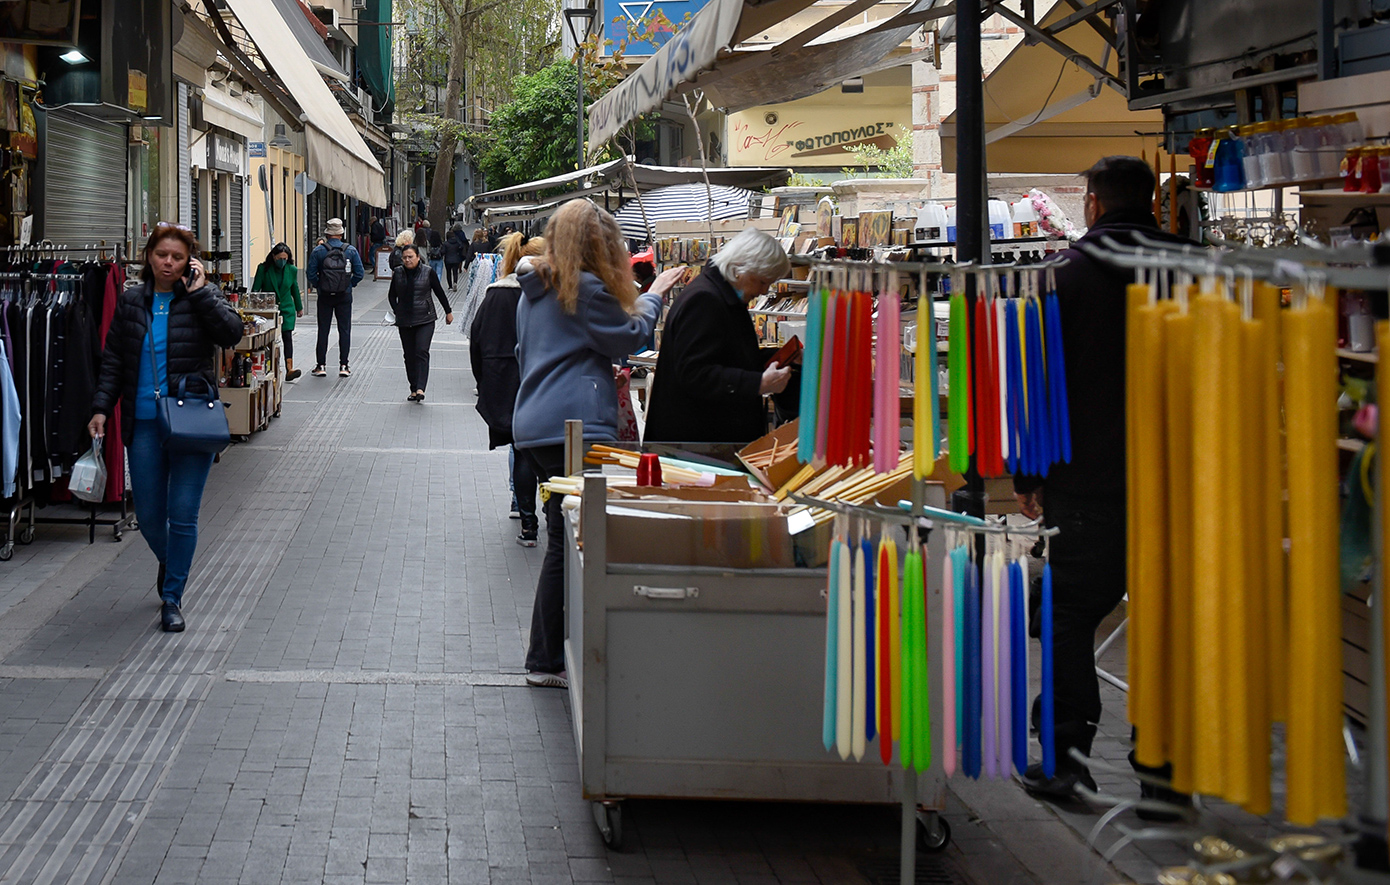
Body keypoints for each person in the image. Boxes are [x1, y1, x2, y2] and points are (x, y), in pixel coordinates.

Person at [1014, 156, 1189, 815]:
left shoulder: (1063, 277)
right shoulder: (1195, 268)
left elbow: (1039, 384)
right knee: (1167, 622)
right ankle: (1166, 778)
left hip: (1086, 483)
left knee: (1068, 616)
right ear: (1151, 201)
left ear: (1091, 203)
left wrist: (1028, 474)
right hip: (1176, 482)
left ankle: (1068, 765)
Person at [513, 200, 677, 688]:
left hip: (539, 422)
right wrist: (655, 295)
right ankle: (545, 660)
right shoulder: (580, 290)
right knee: (568, 539)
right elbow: (628, 336)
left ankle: (549, 655)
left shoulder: (536, 288)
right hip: (573, 425)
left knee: (561, 533)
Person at [87, 224, 244, 633]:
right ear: (149, 257)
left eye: (177, 257)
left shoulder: (198, 298)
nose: (168, 263)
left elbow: (233, 333)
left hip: (191, 420)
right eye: (162, 255)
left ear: (189, 260)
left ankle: (172, 597)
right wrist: (101, 407)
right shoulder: (131, 302)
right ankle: (171, 561)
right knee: (152, 516)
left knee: (184, 516)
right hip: (143, 424)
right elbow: (113, 360)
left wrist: (203, 292)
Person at [642, 226, 794, 444]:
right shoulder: (705, 300)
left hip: (705, 443)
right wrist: (758, 383)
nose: (763, 291)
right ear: (740, 268)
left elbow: (731, 356)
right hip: (697, 447)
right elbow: (695, 373)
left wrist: (782, 355)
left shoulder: (720, 295)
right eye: (762, 281)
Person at [470, 232, 546, 546]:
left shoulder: (495, 295)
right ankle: (555, 518)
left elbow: (476, 340)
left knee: (521, 450)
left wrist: (485, 381)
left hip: (508, 384)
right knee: (551, 452)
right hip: (545, 382)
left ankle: (527, 520)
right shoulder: (549, 293)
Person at [387, 244, 453, 402]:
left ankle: (421, 388)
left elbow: (439, 292)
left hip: (425, 318)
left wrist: (448, 311)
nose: (407, 260)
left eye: (410, 256)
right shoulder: (398, 273)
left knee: (421, 351)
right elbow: (391, 296)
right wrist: (398, 310)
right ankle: (413, 387)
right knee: (409, 356)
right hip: (405, 320)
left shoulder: (427, 272)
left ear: (418, 257)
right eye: (404, 257)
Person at [306, 218, 364, 377]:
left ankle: (321, 365)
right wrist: (349, 285)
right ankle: (344, 365)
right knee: (344, 330)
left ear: (327, 233)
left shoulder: (319, 251)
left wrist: (320, 285)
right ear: (341, 233)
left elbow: (310, 274)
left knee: (323, 330)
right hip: (344, 296)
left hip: (325, 296)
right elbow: (360, 273)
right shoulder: (350, 250)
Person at [251, 243, 303, 381]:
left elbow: (295, 289)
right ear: (273, 257)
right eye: (280, 258)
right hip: (268, 309)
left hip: (286, 308)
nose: (282, 261)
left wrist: (299, 307)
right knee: (269, 339)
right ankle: (269, 367)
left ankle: (289, 368)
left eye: (285, 259)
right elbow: (256, 289)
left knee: (287, 336)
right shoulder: (263, 269)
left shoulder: (291, 269)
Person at [443, 224, 467, 291]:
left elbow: (443, 251)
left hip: (447, 260)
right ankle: (455, 282)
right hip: (456, 259)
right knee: (455, 272)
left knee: (448, 273)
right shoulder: (457, 242)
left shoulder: (446, 243)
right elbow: (461, 246)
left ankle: (450, 286)